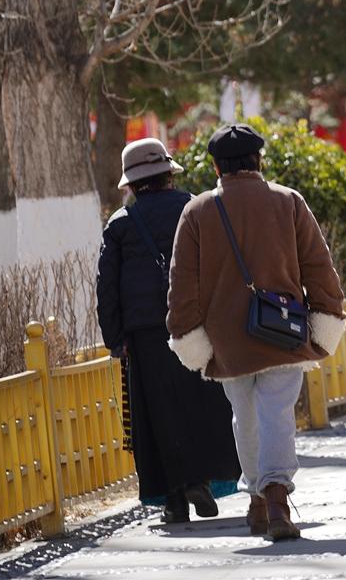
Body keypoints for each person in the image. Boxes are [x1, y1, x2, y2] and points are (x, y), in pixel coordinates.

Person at [166, 123, 346, 541]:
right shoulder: (288, 201)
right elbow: (319, 268)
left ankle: (258, 502)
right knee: (276, 413)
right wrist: (327, 317)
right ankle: (276, 497)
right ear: (259, 160)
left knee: (244, 417)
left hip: (228, 340)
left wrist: (187, 335)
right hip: (283, 330)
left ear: (216, 166)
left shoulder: (197, 212)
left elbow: (182, 285)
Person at [96, 138, 240, 524]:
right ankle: (201, 480)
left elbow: (106, 287)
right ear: (168, 175)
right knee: (202, 403)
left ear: (132, 183)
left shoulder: (120, 224)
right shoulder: (195, 208)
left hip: (145, 334)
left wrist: (115, 338)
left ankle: (173, 500)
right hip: (196, 323)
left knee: (157, 412)